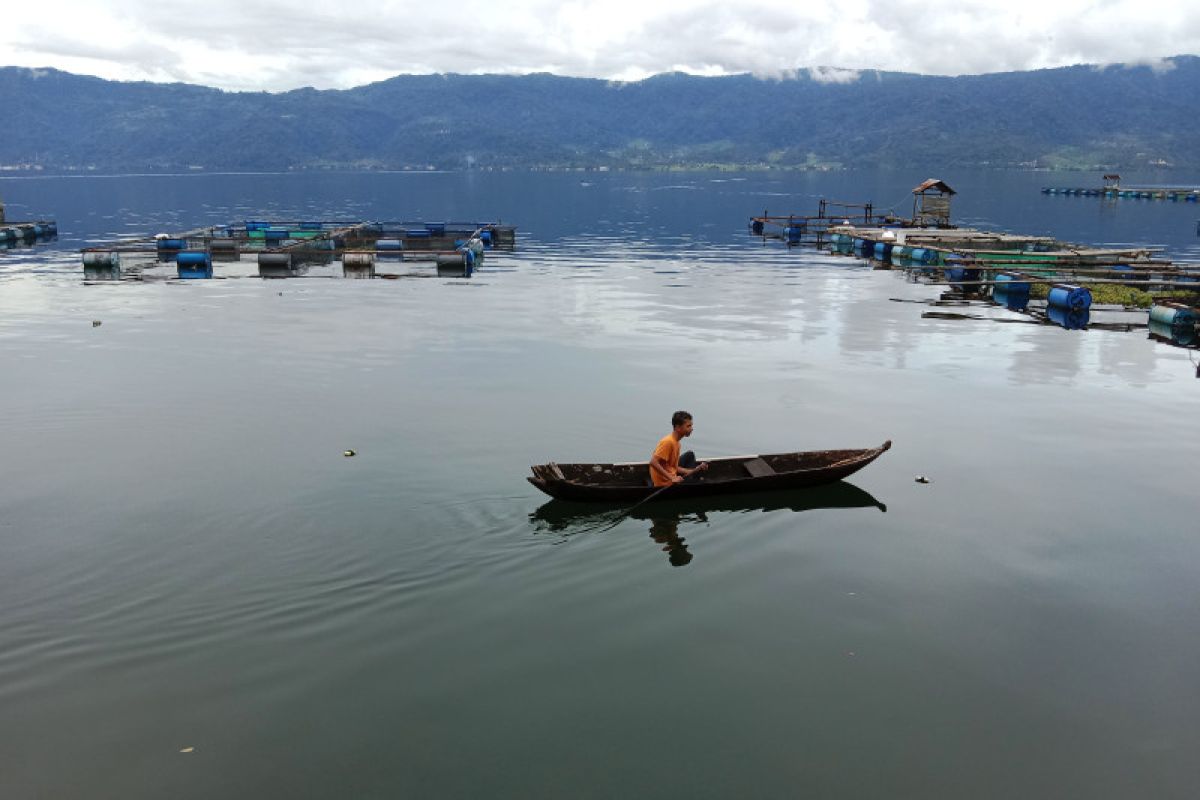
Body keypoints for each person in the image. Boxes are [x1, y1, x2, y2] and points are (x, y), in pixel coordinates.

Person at [649, 410, 709, 487]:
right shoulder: (668, 442)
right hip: (665, 483)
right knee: (701, 482)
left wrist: (695, 470)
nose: (692, 429)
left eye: (691, 426)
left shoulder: (676, 443)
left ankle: (693, 475)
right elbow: (653, 462)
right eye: (688, 426)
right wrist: (672, 478)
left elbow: (674, 467)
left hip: (671, 474)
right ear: (678, 427)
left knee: (690, 455)